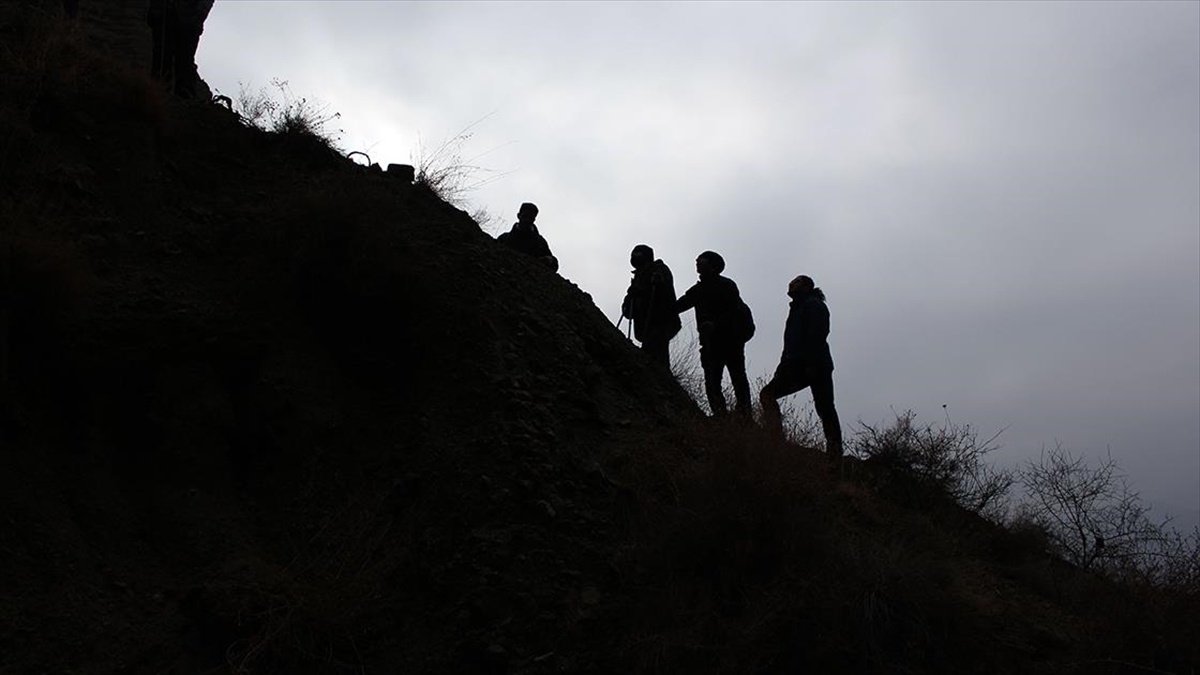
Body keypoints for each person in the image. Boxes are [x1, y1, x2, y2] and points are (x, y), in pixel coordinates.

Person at [759, 274, 843, 459]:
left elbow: (817, 334)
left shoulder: (813, 305)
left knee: (824, 407)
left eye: (796, 281)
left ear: (805, 285)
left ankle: (776, 439)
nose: (790, 283)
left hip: (812, 364)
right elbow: (791, 343)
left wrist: (810, 363)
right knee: (825, 407)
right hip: (805, 364)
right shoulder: (799, 308)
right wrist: (782, 367)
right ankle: (834, 454)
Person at [676, 251, 754, 418]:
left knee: (737, 378)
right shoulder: (697, 290)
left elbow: (734, 311)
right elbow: (678, 306)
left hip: (731, 341)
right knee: (712, 381)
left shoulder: (727, 286)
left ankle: (744, 416)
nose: (697, 261)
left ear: (711, 264)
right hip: (711, 343)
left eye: (701, 259)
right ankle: (720, 416)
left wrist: (715, 324)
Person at [621, 245, 682, 367]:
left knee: (656, 357)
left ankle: (664, 381)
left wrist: (640, 291)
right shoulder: (639, 276)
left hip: (660, 322)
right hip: (647, 325)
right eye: (633, 255)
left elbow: (662, 291)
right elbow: (629, 310)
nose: (633, 257)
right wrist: (629, 300)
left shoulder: (659, 269)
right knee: (653, 356)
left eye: (637, 254)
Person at [497, 202, 558, 272]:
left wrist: (549, 260)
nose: (527, 220)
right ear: (518, 216)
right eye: (525, 216)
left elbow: (553, 265)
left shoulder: (540, 242)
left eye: (531, 218)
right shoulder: (504, 239)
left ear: (534, 220)